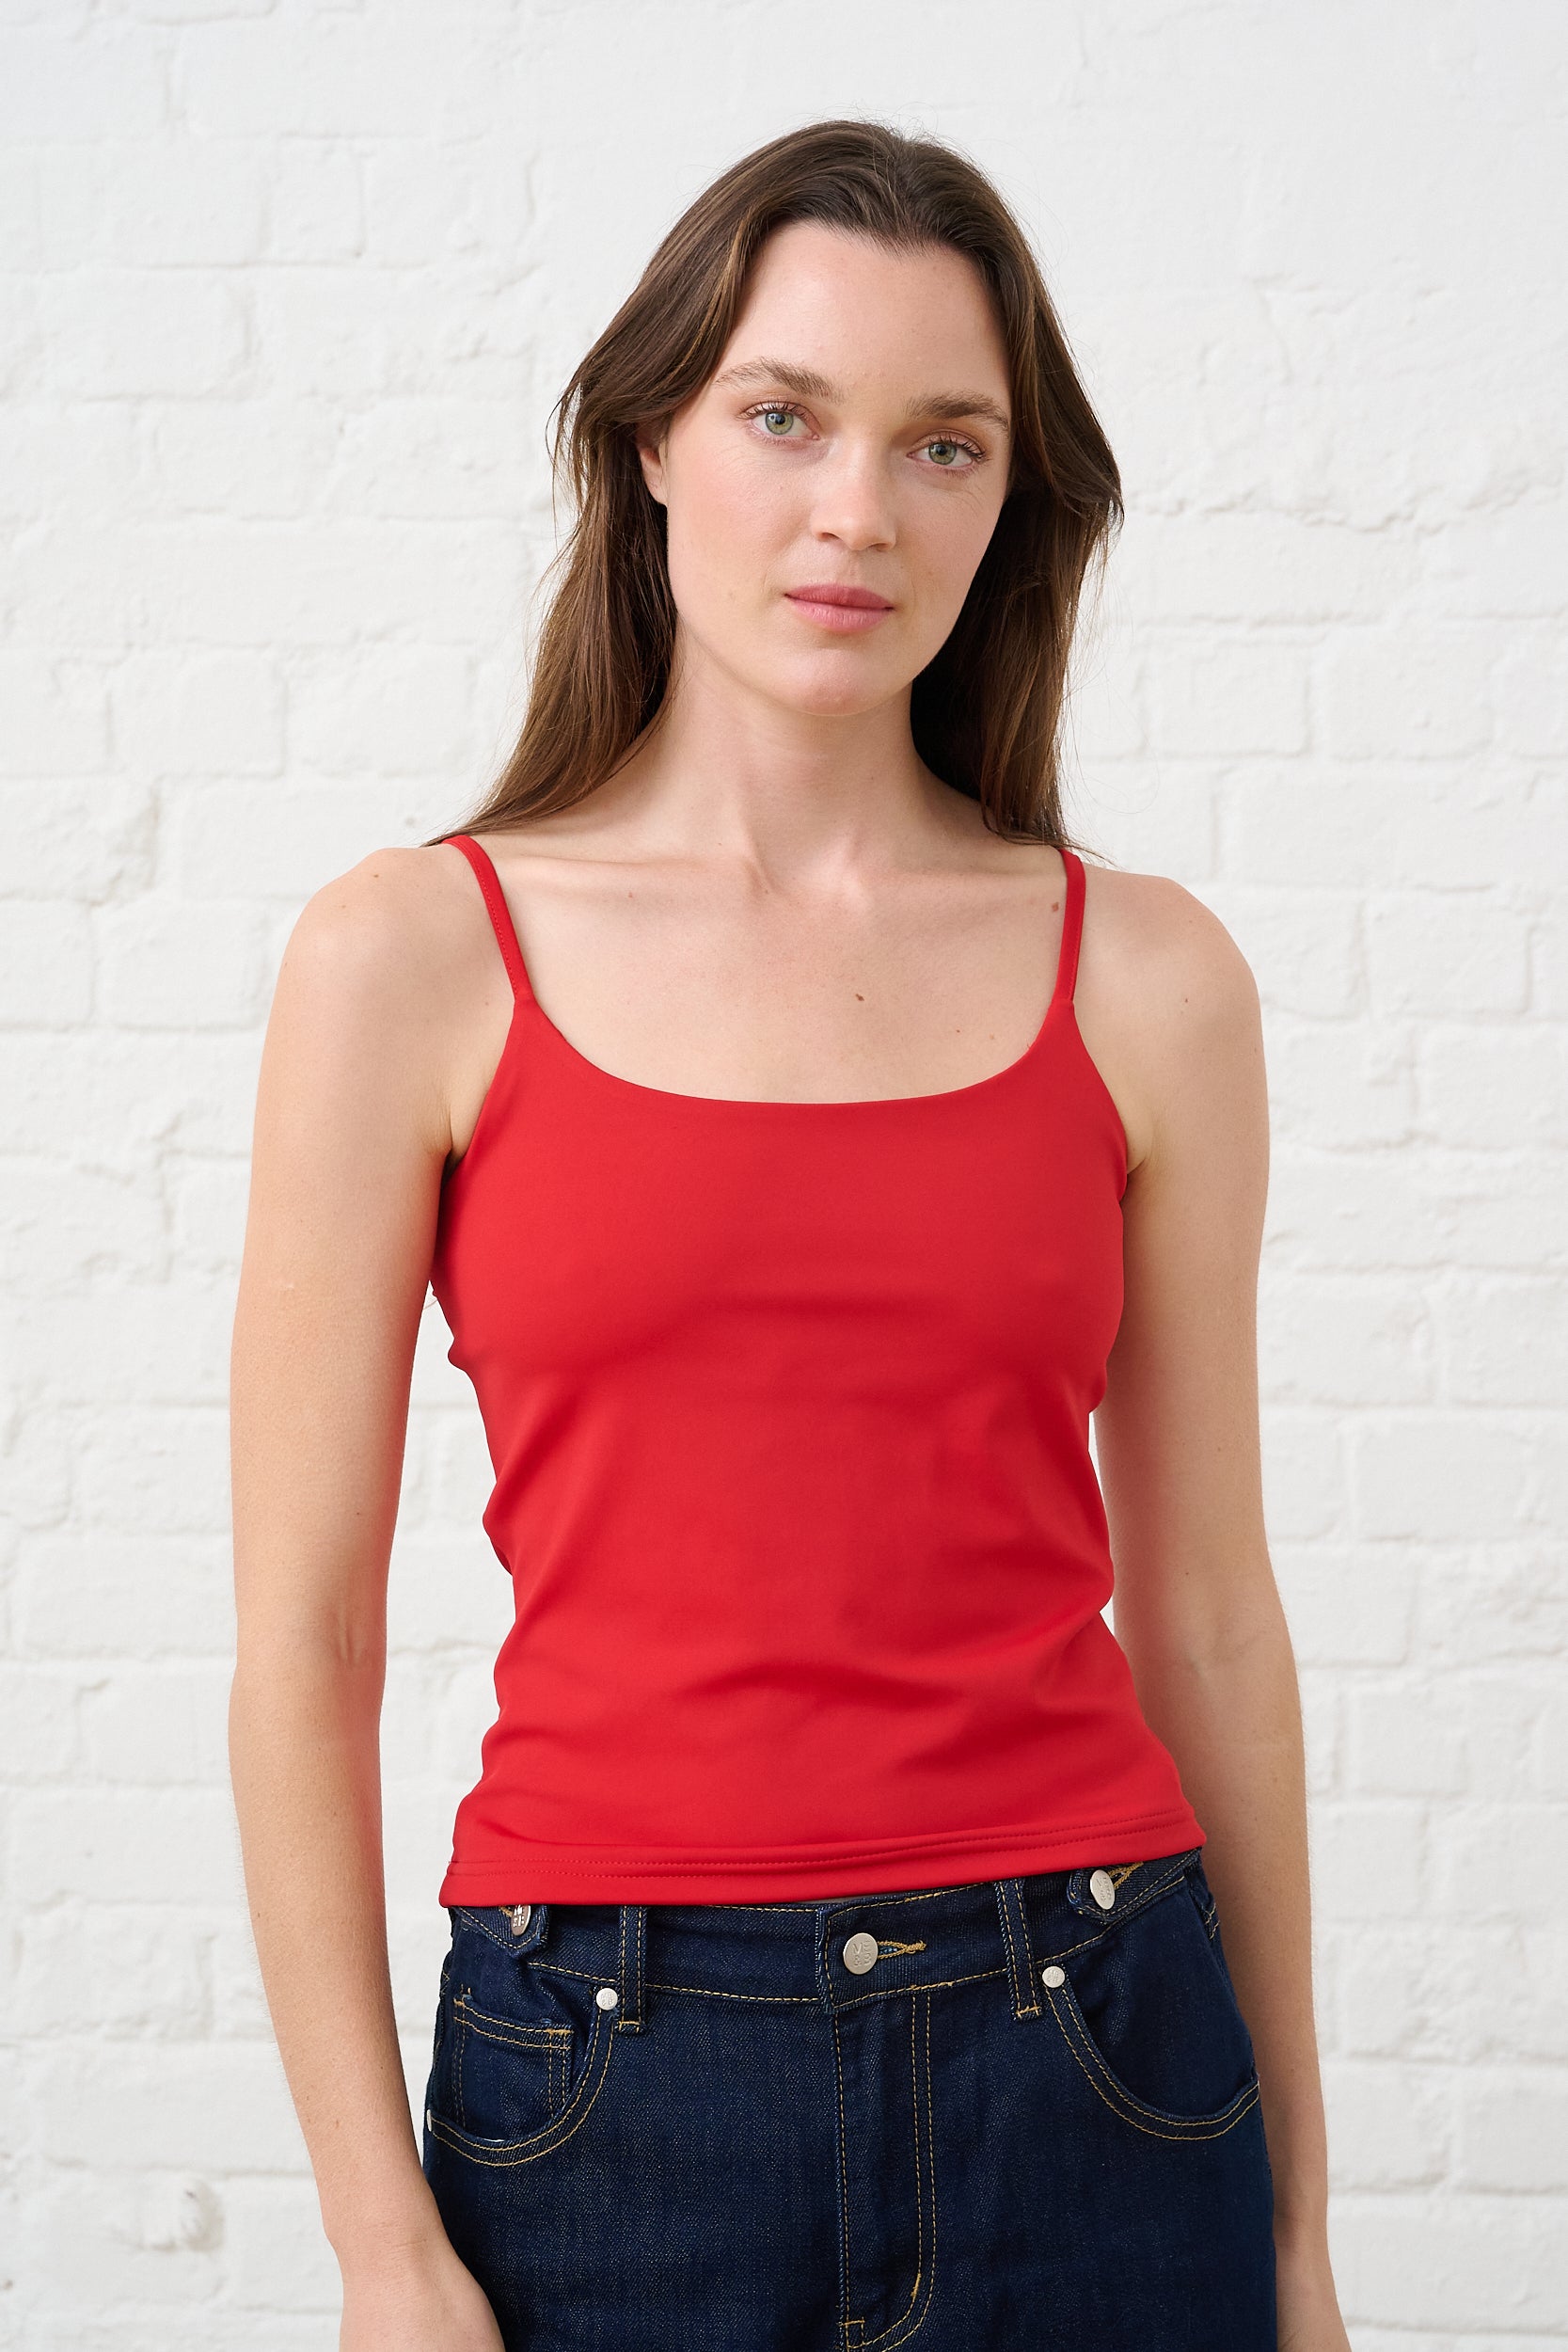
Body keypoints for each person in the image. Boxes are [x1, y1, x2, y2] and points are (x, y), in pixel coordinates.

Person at [229, 118, 1352, 2352]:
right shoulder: (411, 959)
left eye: (947, 444)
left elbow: (1210, 1614)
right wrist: (379, 2240)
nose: (861, 509)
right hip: (609, 2077)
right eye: (785, 416)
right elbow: (305, 1643)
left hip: (1103, 2048)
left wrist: (1304, 2234)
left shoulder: (1146, 980)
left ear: (1009, 500)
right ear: (653, 440)